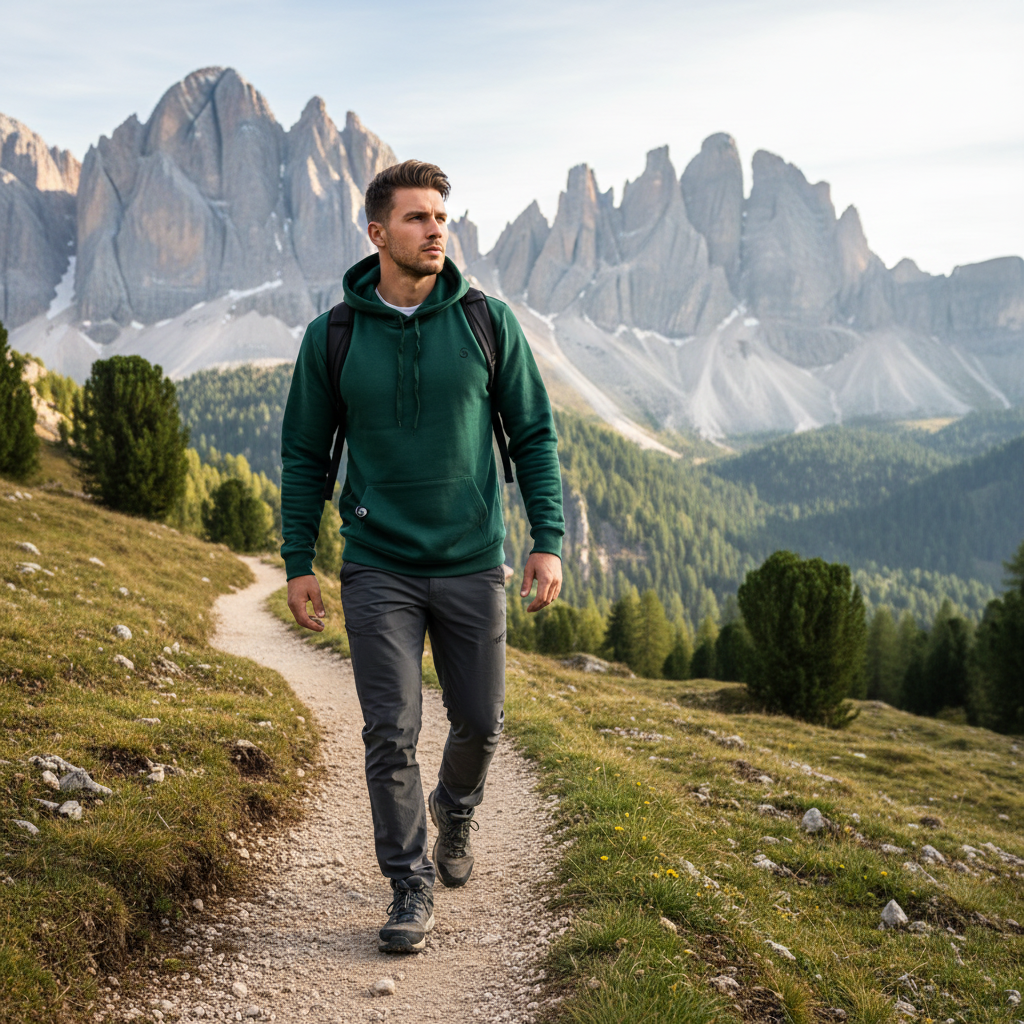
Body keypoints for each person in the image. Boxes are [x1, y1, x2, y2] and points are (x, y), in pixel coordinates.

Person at [280, 160, 564, 953]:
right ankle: (409, 883)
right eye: (416, 218)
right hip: (377, 563)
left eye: (442, 216)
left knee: (480, 718)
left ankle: (458, 807)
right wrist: (298, 560)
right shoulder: (332, 336)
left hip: (473, 559)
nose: (436, 228)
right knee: (389, 729)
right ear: (377, 235)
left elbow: (532, 437)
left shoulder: (486, 320)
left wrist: (548, 540)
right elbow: (305, 457)